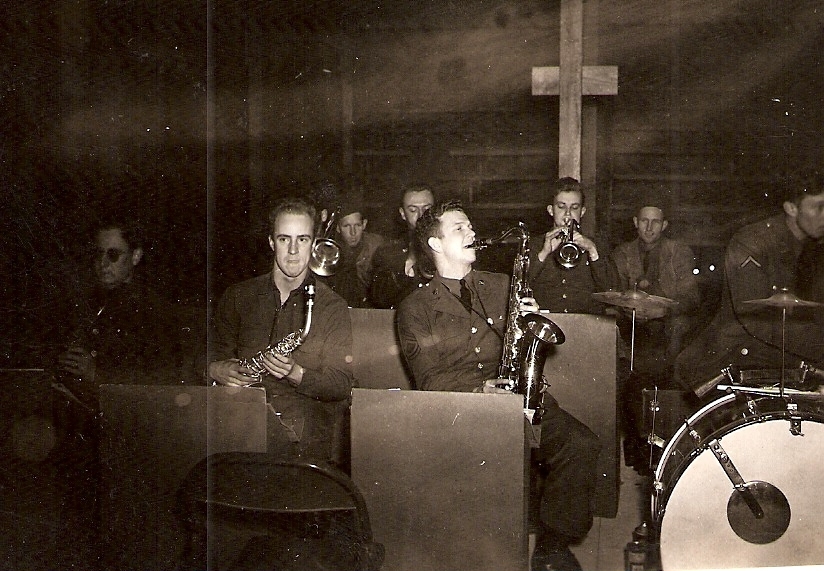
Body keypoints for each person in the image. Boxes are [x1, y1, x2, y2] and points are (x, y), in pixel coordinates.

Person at [396, 200, 600, 571]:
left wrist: (528, 323)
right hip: (463, 410)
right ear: (435, 244)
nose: (471, 232)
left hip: (517, 395)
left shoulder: (503, 285)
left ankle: (552, 545)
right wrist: (479, 394)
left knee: (581, 445)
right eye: (459, 228)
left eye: (470, 226)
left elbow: (521, 346)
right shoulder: (415, 308)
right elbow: (429, 379)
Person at [51, 216, 180, 570]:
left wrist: (96, 374)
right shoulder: (92, 302)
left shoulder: (152, 310)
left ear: (135, 257)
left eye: (114, 255)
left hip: (130, 445)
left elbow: (162, 382)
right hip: (87, 440)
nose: (102, 265)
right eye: (98, 255)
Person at [207, 196, 353, 465]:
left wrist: (295, 373)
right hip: (238, 427)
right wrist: (215, 369)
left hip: (302, 441)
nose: (294, 251)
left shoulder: (331, 305)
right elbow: (207, 354)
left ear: (315, 244)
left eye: (303, 239)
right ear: (272, 242)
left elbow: (341, 384)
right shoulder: (239, 296)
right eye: (285, 239)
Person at [675, 171, 824, 398]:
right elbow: (756, 317)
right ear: (791, 209)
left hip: (780, 356)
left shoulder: (813, 247)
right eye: (819, 207)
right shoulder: (753, 242)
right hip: (733, 359)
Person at [609, 205, 702, 471]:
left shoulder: (679, 253)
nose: (649, 228)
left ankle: (665, 450)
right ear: (635, 222)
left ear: (665, 225)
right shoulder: (621, 254)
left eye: (656, 222)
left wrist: (665, 310)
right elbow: (611, 294)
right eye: (644, 221)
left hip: (670, 332)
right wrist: (626, 310)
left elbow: (692, 298)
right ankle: (637, 450)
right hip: (632, 331)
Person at [528, 177, 614, 314]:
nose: (568, 214)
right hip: (546, 325)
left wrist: (592, 252)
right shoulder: (534, 245)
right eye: (561, 207)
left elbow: (612, 291)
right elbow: (518, 288)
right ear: (551, 210)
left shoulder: (596, 245)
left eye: (574, 208)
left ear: (582, 212)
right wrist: (543, 254)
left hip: (586, 327)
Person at [369, 183, 435, 308]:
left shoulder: (452, 246)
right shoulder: (388, 252)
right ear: (403, 214)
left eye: (426, 209)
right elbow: (379, 299)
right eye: (413, 210)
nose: (421, 215)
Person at [326, 198, 384, 307]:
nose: (353, 232)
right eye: (346, 226)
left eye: (357, 225)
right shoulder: (330, 251)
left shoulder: (377, 246)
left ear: (364, 224)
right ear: (338, 228)